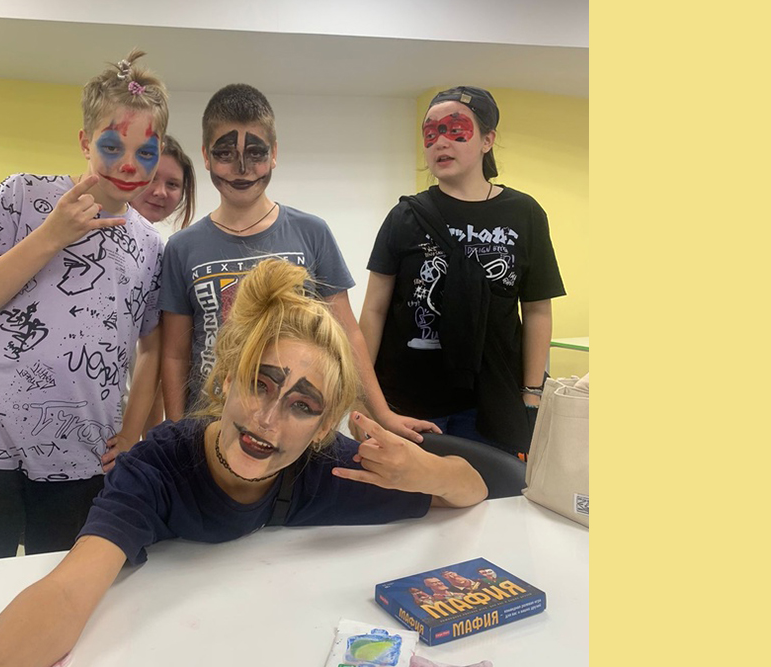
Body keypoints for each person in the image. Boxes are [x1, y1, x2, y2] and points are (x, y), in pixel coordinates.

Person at [0, 259, 487, 667]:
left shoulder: (327, 467)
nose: (268, 421)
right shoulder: (157, 469)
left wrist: (424, 471)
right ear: (228, 378)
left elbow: (472, 490)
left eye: (302, 406)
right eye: (259, 384)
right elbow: (66, 591)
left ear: (325, 426)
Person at [0, 49, 168, 562]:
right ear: (84, 141)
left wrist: (133, 430)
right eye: (112, 146)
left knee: (59, 583)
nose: (128, 164)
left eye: (145, 151)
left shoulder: (150, 245)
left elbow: (152, 346)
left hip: (82, 454)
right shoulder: (21, 198)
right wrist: (52, 234)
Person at [159, 83, 439, 445]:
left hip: (294, 430)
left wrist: (382, 413)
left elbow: (347, 333)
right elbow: (175, 354)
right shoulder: (182, 248)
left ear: (274, 153)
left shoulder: (311, 233)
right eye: (225, 153)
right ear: (206, 156)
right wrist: (178, 433)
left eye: (256, 153)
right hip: (210, 430)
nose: (242, 169)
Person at [359, 85, 565, 458]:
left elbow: (537, 309)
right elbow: (373, 310)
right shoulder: (404, 216)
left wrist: (531, 394)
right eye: (430, 133)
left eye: (455, 130)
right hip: (407, 403)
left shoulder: (525, 214)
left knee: (490, 491)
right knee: (406, 493)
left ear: (488, 140)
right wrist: (363, 398)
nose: (440, 142)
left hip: (491, 403)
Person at [123, 134, 197, 446]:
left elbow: (153, 351)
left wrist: (144, 443)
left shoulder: (157, 251)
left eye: (173, 184)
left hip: (116, 421)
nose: (160, 192)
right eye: (152, 178)